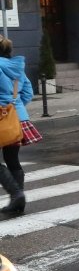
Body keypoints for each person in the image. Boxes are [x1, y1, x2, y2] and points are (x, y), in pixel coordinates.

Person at [0, 35, 40, 215]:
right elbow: (28, 92)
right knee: (12, 161)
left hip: (1, 118)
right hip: (17, 119)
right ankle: (18, 199)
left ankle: (16, 195)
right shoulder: (16, 68)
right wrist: (16, 108)